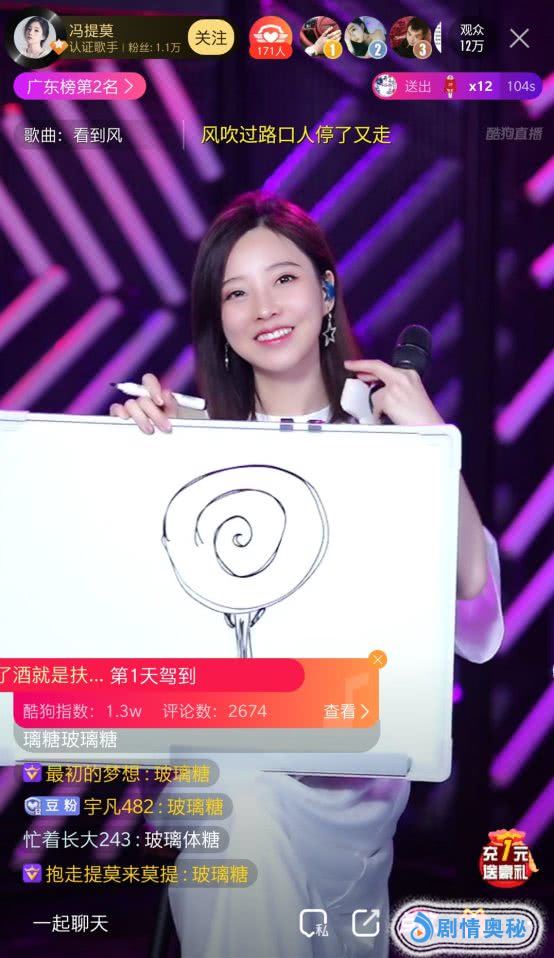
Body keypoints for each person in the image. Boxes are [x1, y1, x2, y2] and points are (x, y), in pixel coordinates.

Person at [110, 192, 504, 957]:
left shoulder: (387, 434)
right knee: (239, 801)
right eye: (236, 292)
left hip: (350, 778)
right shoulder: (187, 435)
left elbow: (479, 624)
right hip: (227, 762)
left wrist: (434, 447)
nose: (263, 307)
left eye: (284, 279)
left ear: (326, 290)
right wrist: (131, 461)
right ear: (218, 318)